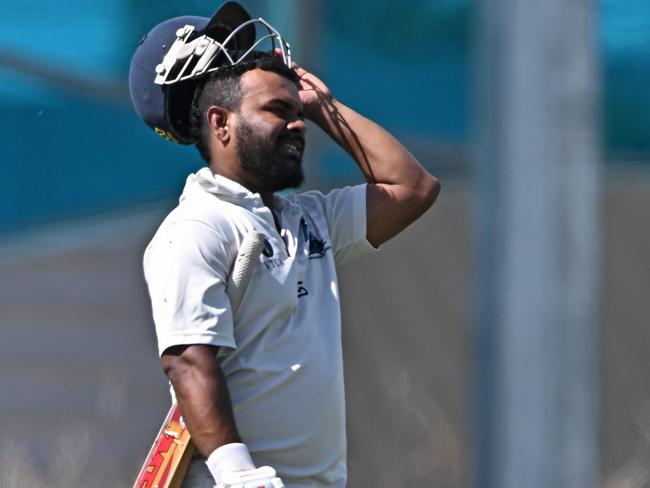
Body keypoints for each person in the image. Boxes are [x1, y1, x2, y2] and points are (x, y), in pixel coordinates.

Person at [129, 3, 440, 487]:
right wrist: (238, 475)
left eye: (299, 114)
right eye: (278, 111)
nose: (298, 125)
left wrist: (323, 108)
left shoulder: (309, 219)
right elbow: (188, 360)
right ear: (220, 123)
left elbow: (411, 188)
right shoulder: (197, 227)